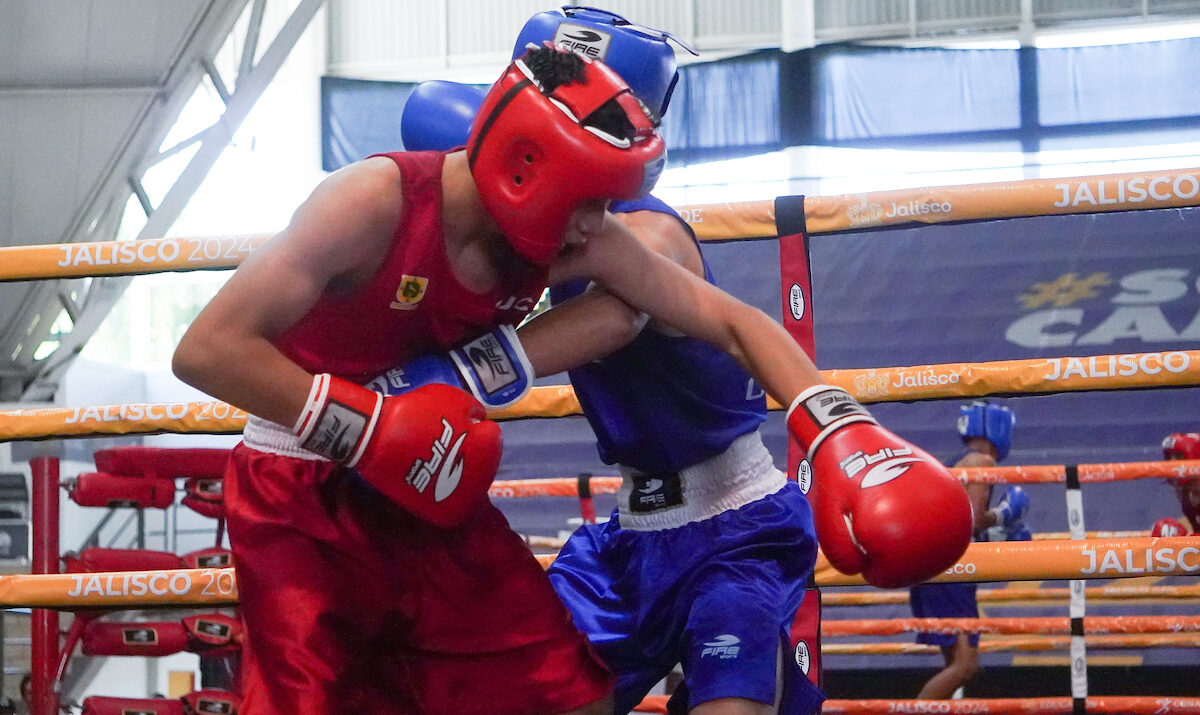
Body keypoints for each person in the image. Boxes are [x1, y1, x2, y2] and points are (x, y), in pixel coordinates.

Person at [176, 39, 969, 715]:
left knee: (562, 692)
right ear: (525, 171)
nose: (601, 225)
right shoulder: (368, 201)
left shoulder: (577, 236)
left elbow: (727, 318)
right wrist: (368, 425)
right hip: (304, 484)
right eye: (590, 200)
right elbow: (206, 349)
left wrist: (840, 427)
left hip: (429, 473)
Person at [908, 400, 1024, 700]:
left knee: (955, 664)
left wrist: (997, 531)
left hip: (933, 565)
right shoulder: (981, 463)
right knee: (965, 665)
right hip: (949, 569)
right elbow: (970, 520)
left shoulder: (956, 461)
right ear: (996, 429)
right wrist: (1003, 515)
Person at [1160, 432, 1200, 533]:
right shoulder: (1187, 489)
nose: (1172, 464)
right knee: (1166, 530)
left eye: (1179, 456)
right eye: (1169, 457)